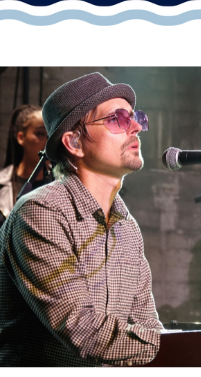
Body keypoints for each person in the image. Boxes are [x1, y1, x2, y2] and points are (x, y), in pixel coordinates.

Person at [0, 72, 162, 366]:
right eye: (117, 119)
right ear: (74, 142)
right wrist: (173, 346)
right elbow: (84, 332)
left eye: (135, 117)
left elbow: (147, 323)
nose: (137, 127)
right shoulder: (41, 212)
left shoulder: (128, 227)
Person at [0, 105, 53, 227]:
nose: (48, 141)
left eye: (51, 134)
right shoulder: (3, 184)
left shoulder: (64, 183)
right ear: (21, 137)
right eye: (40, 133)